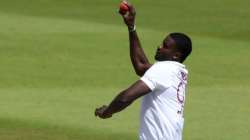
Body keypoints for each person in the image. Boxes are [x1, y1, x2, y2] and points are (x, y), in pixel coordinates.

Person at [95, 1, 192, 140]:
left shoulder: (163, 70)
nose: (159, 47)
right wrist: (131, 27)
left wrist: (107, 111)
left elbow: (126, 97)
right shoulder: (177, 71)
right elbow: (141, 66)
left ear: (176, 55)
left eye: (165, 46)